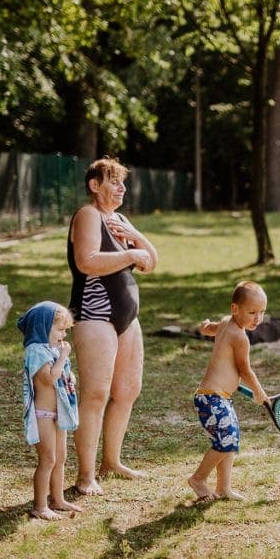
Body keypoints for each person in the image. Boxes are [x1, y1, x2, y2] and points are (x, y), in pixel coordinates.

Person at [68, 157, 158, 495]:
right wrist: (132, 255)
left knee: (127, 391)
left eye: (123, 182)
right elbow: (86, 261)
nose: (121, 188)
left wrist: (137, 237)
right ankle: (85, 476)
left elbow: (151, 262)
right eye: (114, 181)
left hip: (126, 319)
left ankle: (112, 462)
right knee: (95, 394)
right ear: (95, 186)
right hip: (94, 316)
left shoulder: (119, 219)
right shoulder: (88, 215)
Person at [188, 280, 270, 502]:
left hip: (215, 398)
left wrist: (205, 326)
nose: (258, 318)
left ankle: (223, 487)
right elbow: (245, 369)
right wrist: (259, 392)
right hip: (213, 399)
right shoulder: (240, 337)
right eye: (252, 312)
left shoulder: (226, 323)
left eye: (262, 312)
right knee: (227, 441)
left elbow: (211, 329)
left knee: (229, 442)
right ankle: (198, 479)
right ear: (235, 309)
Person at [18, 301, 84, 520]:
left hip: (59, 413)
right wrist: (64, 357)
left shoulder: (52, 349)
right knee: (47, 459)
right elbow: (48, 379)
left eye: (66, 330)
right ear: (43, 327)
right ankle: (40, 506)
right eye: (60, 329)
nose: (64, 335)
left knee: (61, 457)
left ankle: (57, 498)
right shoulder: (36, 351)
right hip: (43, 414)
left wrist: (69, 373)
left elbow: (62, 377)